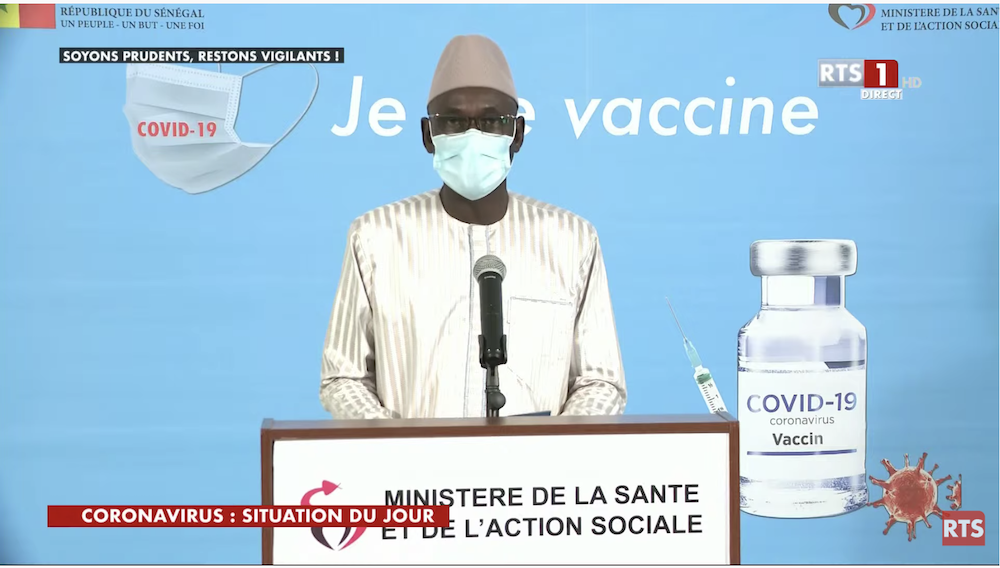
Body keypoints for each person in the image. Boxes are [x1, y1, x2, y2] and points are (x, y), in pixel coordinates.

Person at [319, 34, 626, 419]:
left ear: (517, 134)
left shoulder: (571, 240)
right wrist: (398, 445)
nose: (472, 136)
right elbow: (344, 376)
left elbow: (600, 381)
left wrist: (551, 446)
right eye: (453, 121)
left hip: (538, 459)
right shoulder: (375, 237)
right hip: (409, 457)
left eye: (492, 121)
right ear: (428, 135)